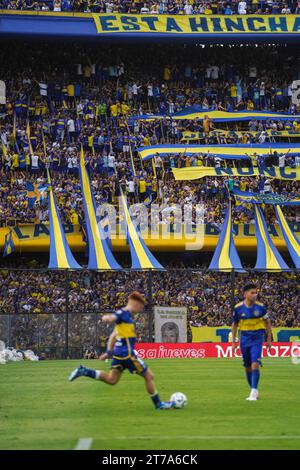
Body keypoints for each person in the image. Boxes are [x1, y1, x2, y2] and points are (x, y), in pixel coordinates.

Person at [69, 291, 175, 410]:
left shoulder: (127, 317)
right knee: (149, 376)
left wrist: (108, 353)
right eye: (140, 307)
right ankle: (158, 404)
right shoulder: (123, 313)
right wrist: (107, 318)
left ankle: (84, 371)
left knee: (112, 380)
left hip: (118, 353)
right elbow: (113, 317)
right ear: (135, 304)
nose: (140, 310)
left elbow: (113, 336)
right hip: (127, 354)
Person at [231, 283, 272, 401]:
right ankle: (253, 389)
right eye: (252, 293)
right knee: (247, 367)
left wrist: (269, 339)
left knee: (255, 364)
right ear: (245, 294)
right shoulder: (238, 308)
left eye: (256, 292)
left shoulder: (261, 307)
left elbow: (268, 322)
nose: (255, 295)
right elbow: (234, 325)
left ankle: (253, 391)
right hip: (244, 338)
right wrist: (234, 342)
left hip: (257, 338)